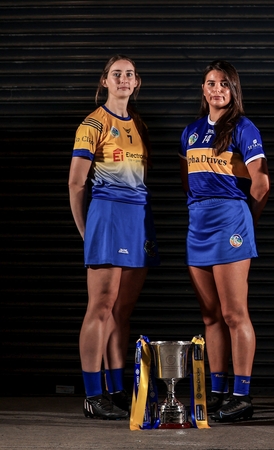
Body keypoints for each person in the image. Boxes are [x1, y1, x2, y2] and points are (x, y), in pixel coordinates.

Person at [69, 55, 160, 419]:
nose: (124, 79)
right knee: (101, 306)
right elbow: (77, 183)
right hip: (106, 216)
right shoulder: (93, 123)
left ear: (136, 82)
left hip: (137, 219)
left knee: (122, 311)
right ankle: (93, 395)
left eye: (130, 74)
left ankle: (116, 389)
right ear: (105, 81)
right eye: (116, 74)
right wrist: (86, 231)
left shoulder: (139, 124)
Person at [179, 60, 269, 422]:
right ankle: (216, 391)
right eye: (211, 83)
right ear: (203, 89)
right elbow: (186, 179)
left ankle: (241, 396)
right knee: (210, 315)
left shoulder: (243, 128)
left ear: (234, 91)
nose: (217, 89)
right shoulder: (190, 131)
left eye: (224, 84)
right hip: (197, 222)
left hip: (230, 219)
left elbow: (261, 184)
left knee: (234, 313)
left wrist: (246, 221)